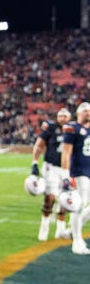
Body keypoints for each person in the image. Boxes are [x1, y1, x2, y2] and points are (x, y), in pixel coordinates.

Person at [31, 107, 72, 241]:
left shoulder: (73, 130)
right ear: (57, 117)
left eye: (65, 116)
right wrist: (34, 163)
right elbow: (39, 145)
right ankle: (44, 227)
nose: (63, 118)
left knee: (64, 199)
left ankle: (60, 230)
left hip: (66, 169)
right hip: (51, 167)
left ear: (70, 118)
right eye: (60, 116)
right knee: (50, 198)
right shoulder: (50, 128)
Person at [61, 102, 90, 255]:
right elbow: (66, 152)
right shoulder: (73, 128)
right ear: (78, 113)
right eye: (85, 111)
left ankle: (71, 232)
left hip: (89, 171)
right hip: (79, 172)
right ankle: (77, 242)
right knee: (78, 206)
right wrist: (65, 175)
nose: (88, 113)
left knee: (84, 206)